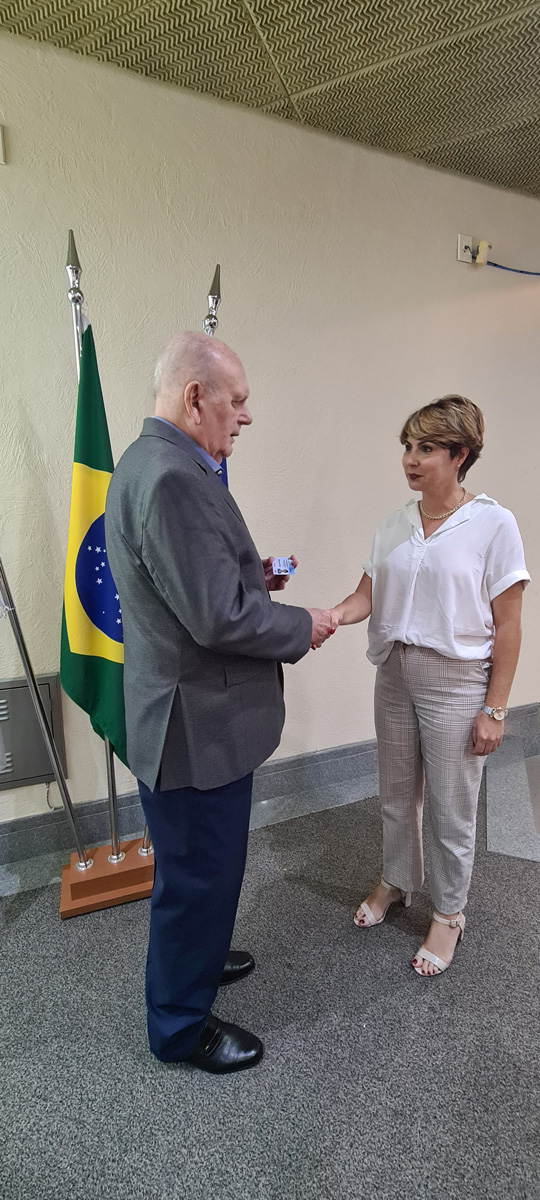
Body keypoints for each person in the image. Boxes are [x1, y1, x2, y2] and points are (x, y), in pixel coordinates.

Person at [105, 332, 336, 1072]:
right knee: (197, 875)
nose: (246, 415)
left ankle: (198, 958)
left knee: (200, 868)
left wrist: (248, 575)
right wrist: (303, 624)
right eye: (237, 401)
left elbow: (186, 585)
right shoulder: (173, 478)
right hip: (193, 726)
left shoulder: (148, 460)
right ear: (194, 396)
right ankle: (180, 1027)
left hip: (182, 712)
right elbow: (217, 620)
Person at [330, 395, 529, 977]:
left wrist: (495, 708)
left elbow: (509, 625)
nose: (410, 459)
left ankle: (448, 913)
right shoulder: (393, 525)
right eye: (407, 447)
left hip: (457, 679)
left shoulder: (493, 524)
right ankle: (397, 880)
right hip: (394, 672)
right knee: (396, 793)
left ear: (460, 454)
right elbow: (366, 595)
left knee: (451, 806)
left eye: (426, 448)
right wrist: (330, 616)